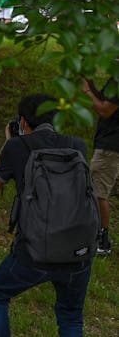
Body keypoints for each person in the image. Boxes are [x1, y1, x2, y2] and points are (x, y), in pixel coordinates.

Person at [0, 94, 92, 336]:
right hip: (79, 250)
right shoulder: (78, 146)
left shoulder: (16, 146)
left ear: (23, 121)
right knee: (71, 316)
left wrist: (7, 144)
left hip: (35, 252)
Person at [82, 75, 119, 256]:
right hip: (108, 144)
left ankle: (102, 240)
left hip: (110, 147)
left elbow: (105, 110)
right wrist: (90, 84)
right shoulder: (115, 78)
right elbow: (104, 100)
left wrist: (87, 91)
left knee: (98, 193)